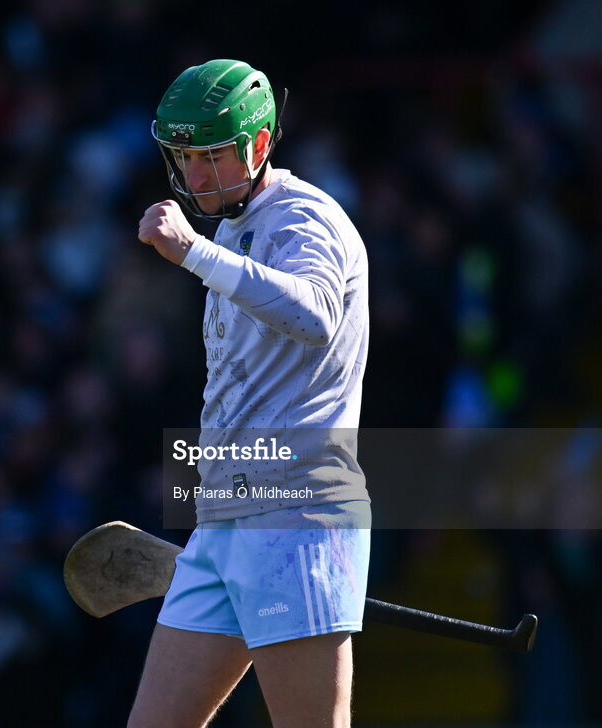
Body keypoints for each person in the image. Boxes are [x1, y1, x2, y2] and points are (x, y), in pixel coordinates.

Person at [133, 59, 371, 727]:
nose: (196, 176)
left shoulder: (303, 219)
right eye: (185, 157)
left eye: (211, 156)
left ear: (260, 145)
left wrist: (193, 255)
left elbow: (316, 314)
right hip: (226, 520)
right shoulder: (235, 228)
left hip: (296, 516)